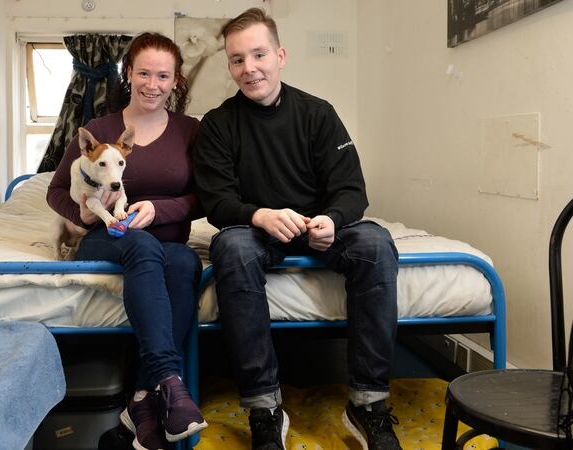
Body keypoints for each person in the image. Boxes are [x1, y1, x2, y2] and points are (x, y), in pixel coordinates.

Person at [192, 8, 402, 450]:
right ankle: (265, 408)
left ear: (281, 55)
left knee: (375, 243)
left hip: (318, 226)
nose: (249, 68)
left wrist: (334, 219)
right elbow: (216, 202)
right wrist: (258, 215)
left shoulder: (318, 114)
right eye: (236, 59)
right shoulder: (217, 125)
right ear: (229, 66)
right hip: (255, 231)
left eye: (258, 54)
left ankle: (367, 403)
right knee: (230, 248)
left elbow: (351, 189)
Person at [47, 32, 207, 450]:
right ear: (128, 73)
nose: (152, 84)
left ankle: (140, 397)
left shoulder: (191, 130)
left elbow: (206, 198)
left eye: (163, 75)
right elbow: (56, 191)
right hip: (107, 240)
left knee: (187, 264)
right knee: (142, 245)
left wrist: (159, 210)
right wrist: (79, 213)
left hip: (170, 244)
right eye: (143, 73)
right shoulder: (99, 129)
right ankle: (170, 382)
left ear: (176, 81)